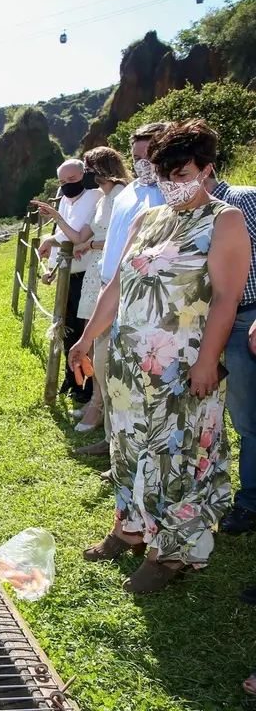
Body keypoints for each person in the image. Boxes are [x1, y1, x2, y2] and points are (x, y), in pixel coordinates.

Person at [70, 120, 249, 593]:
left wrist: (209, 360)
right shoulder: (149, 218)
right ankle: (129, 528)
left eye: (182, 172)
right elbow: (115, 286)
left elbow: (228, 297)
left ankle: (170, 552)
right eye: (164, 172)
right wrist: (86, 339)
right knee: (128, 447)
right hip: (130, 363)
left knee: (175, 454)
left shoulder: (224, 219)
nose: (172, 182)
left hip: (182, 364)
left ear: (208, 169)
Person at [74, 122, 167, 456]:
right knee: (106, 370)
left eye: (150, 155)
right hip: (110, 291)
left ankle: (132, 451)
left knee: (136, 382)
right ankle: (113, 441)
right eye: (137, 156)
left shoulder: (166, 194)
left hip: (144, 302)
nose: (143, 163)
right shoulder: (128, 193)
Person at [204, 167, 256, 534]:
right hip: (210, 323)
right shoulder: (187, 215)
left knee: (248, 421)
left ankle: (250, 503)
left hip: (246, 319)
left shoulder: (243, 199)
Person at [67, 147, 131, 435]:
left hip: (112, 272)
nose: (86, 175)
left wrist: (91, 246)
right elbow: (85, 233)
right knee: (92, 338)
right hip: (96, 272)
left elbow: (126, 240)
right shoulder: (103, 198)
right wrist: (57, 216)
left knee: (104, 342)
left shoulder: (123, 196)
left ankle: (101, 406)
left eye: (89, 169)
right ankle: (95, 398)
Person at [33, 160, 103, 404]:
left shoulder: (94, 198)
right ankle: (72, 378)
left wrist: (54, 226)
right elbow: (62, 236)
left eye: (72, 181)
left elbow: (75, 236)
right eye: (62, 182)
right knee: (67, 330)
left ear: (84, 176)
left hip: (87, 274)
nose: (67, 186)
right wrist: (52, 266)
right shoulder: (64, 199)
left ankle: (87, 386)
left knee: (85, 334)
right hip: (67, 273)